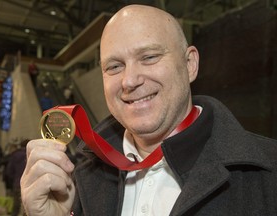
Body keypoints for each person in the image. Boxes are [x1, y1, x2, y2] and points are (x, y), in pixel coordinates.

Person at [20, 4, 277, 216]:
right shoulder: (74, 177)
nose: (129, 80)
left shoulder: (268, 174)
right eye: (114, 67)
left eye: (149, 57)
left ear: (190, 65)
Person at [5, 139, 29, 216]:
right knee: (29, 208)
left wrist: (14, 179)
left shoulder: (15, 155)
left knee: (16, 206)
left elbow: (9, 171)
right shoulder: (32, 154)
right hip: (30, 184)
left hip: (17, 183)